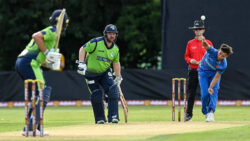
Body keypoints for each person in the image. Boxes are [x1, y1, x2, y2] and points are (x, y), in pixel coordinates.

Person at [15, 9, 69, 136]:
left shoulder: (52, 36)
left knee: (35, 96)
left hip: (23, 62)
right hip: (29, 63)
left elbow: (40, 57)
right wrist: (47, 52)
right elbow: (36, 36)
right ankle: (32, 128)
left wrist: (49, 62)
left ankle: (31, 127)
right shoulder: (53, 31)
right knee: (43, 92)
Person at [77, 24, 122, 124]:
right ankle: (100, 119)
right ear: (105, 34)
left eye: (114, 34)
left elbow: (116, 62)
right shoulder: (96, 42)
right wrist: (81, 63)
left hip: (105, 72)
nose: (112, 36)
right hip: (90, 73)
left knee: (113, 90)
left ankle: (113, 116)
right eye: (110, 33)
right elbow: (82, 49)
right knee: (96, 95)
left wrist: (118, 76)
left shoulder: (115, 49)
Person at [184, 20, 213, 121]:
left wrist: (205, 62)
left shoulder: (208, 43)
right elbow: (186, 56)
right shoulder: (190, 43)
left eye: (200, 29)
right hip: (193, 70)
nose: (198, 31)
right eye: (196, 29)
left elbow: (213, 56)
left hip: (205, 72)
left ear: (203, 30)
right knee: (191, 93)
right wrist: (191, 60)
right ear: (194, 31)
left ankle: (208, 113)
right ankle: (188, 115)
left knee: (205, 93)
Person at [199, 38, 233, 122]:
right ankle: (204, 111)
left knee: (213, 91)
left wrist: (211, 87)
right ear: (218, 50)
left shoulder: (223, 64)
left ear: (226, 56)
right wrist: (203, 40)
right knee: (205, 95)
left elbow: (217, 77)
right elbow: (206, 46)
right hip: (203, 72)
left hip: (214, 75)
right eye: (220, 53)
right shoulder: (213, 51)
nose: (220, 56)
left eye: (223, 56)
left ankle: (211, 113)